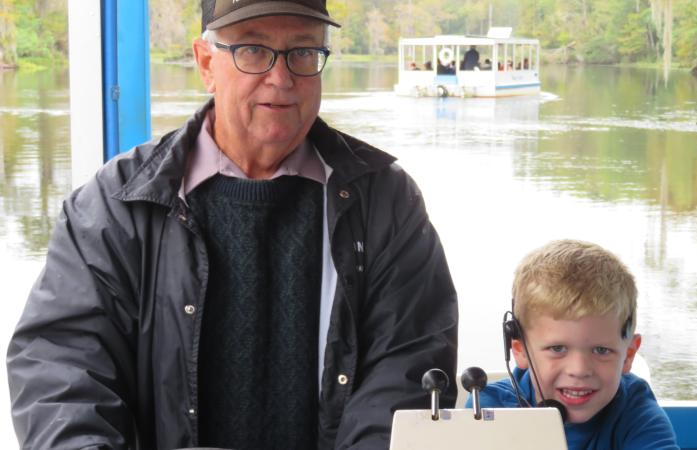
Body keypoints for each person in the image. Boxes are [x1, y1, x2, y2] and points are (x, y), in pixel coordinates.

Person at [6, 1, 458, 449]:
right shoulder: (114, 206)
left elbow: (408, 373)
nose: (281, 80)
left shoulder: (384, 201)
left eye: (302, 52)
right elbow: (60, 373)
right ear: (206, 63)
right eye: (254, 50)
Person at [467, 240, 678, 449]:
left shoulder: (637, 415)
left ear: (629, 355)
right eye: (557, 349)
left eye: (601, 350)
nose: (579, 370)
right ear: (520, 350)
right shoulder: (487, 410)